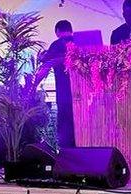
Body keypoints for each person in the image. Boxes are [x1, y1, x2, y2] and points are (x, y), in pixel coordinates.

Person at [33, 20, 77, 148]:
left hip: (64, 94)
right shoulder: (79, 42)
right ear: (71, 29)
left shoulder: (56, 44)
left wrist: (33, 85)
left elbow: (45, 64)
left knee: (64, 126)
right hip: (83, 95)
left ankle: (66, 155)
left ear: (57, 32)